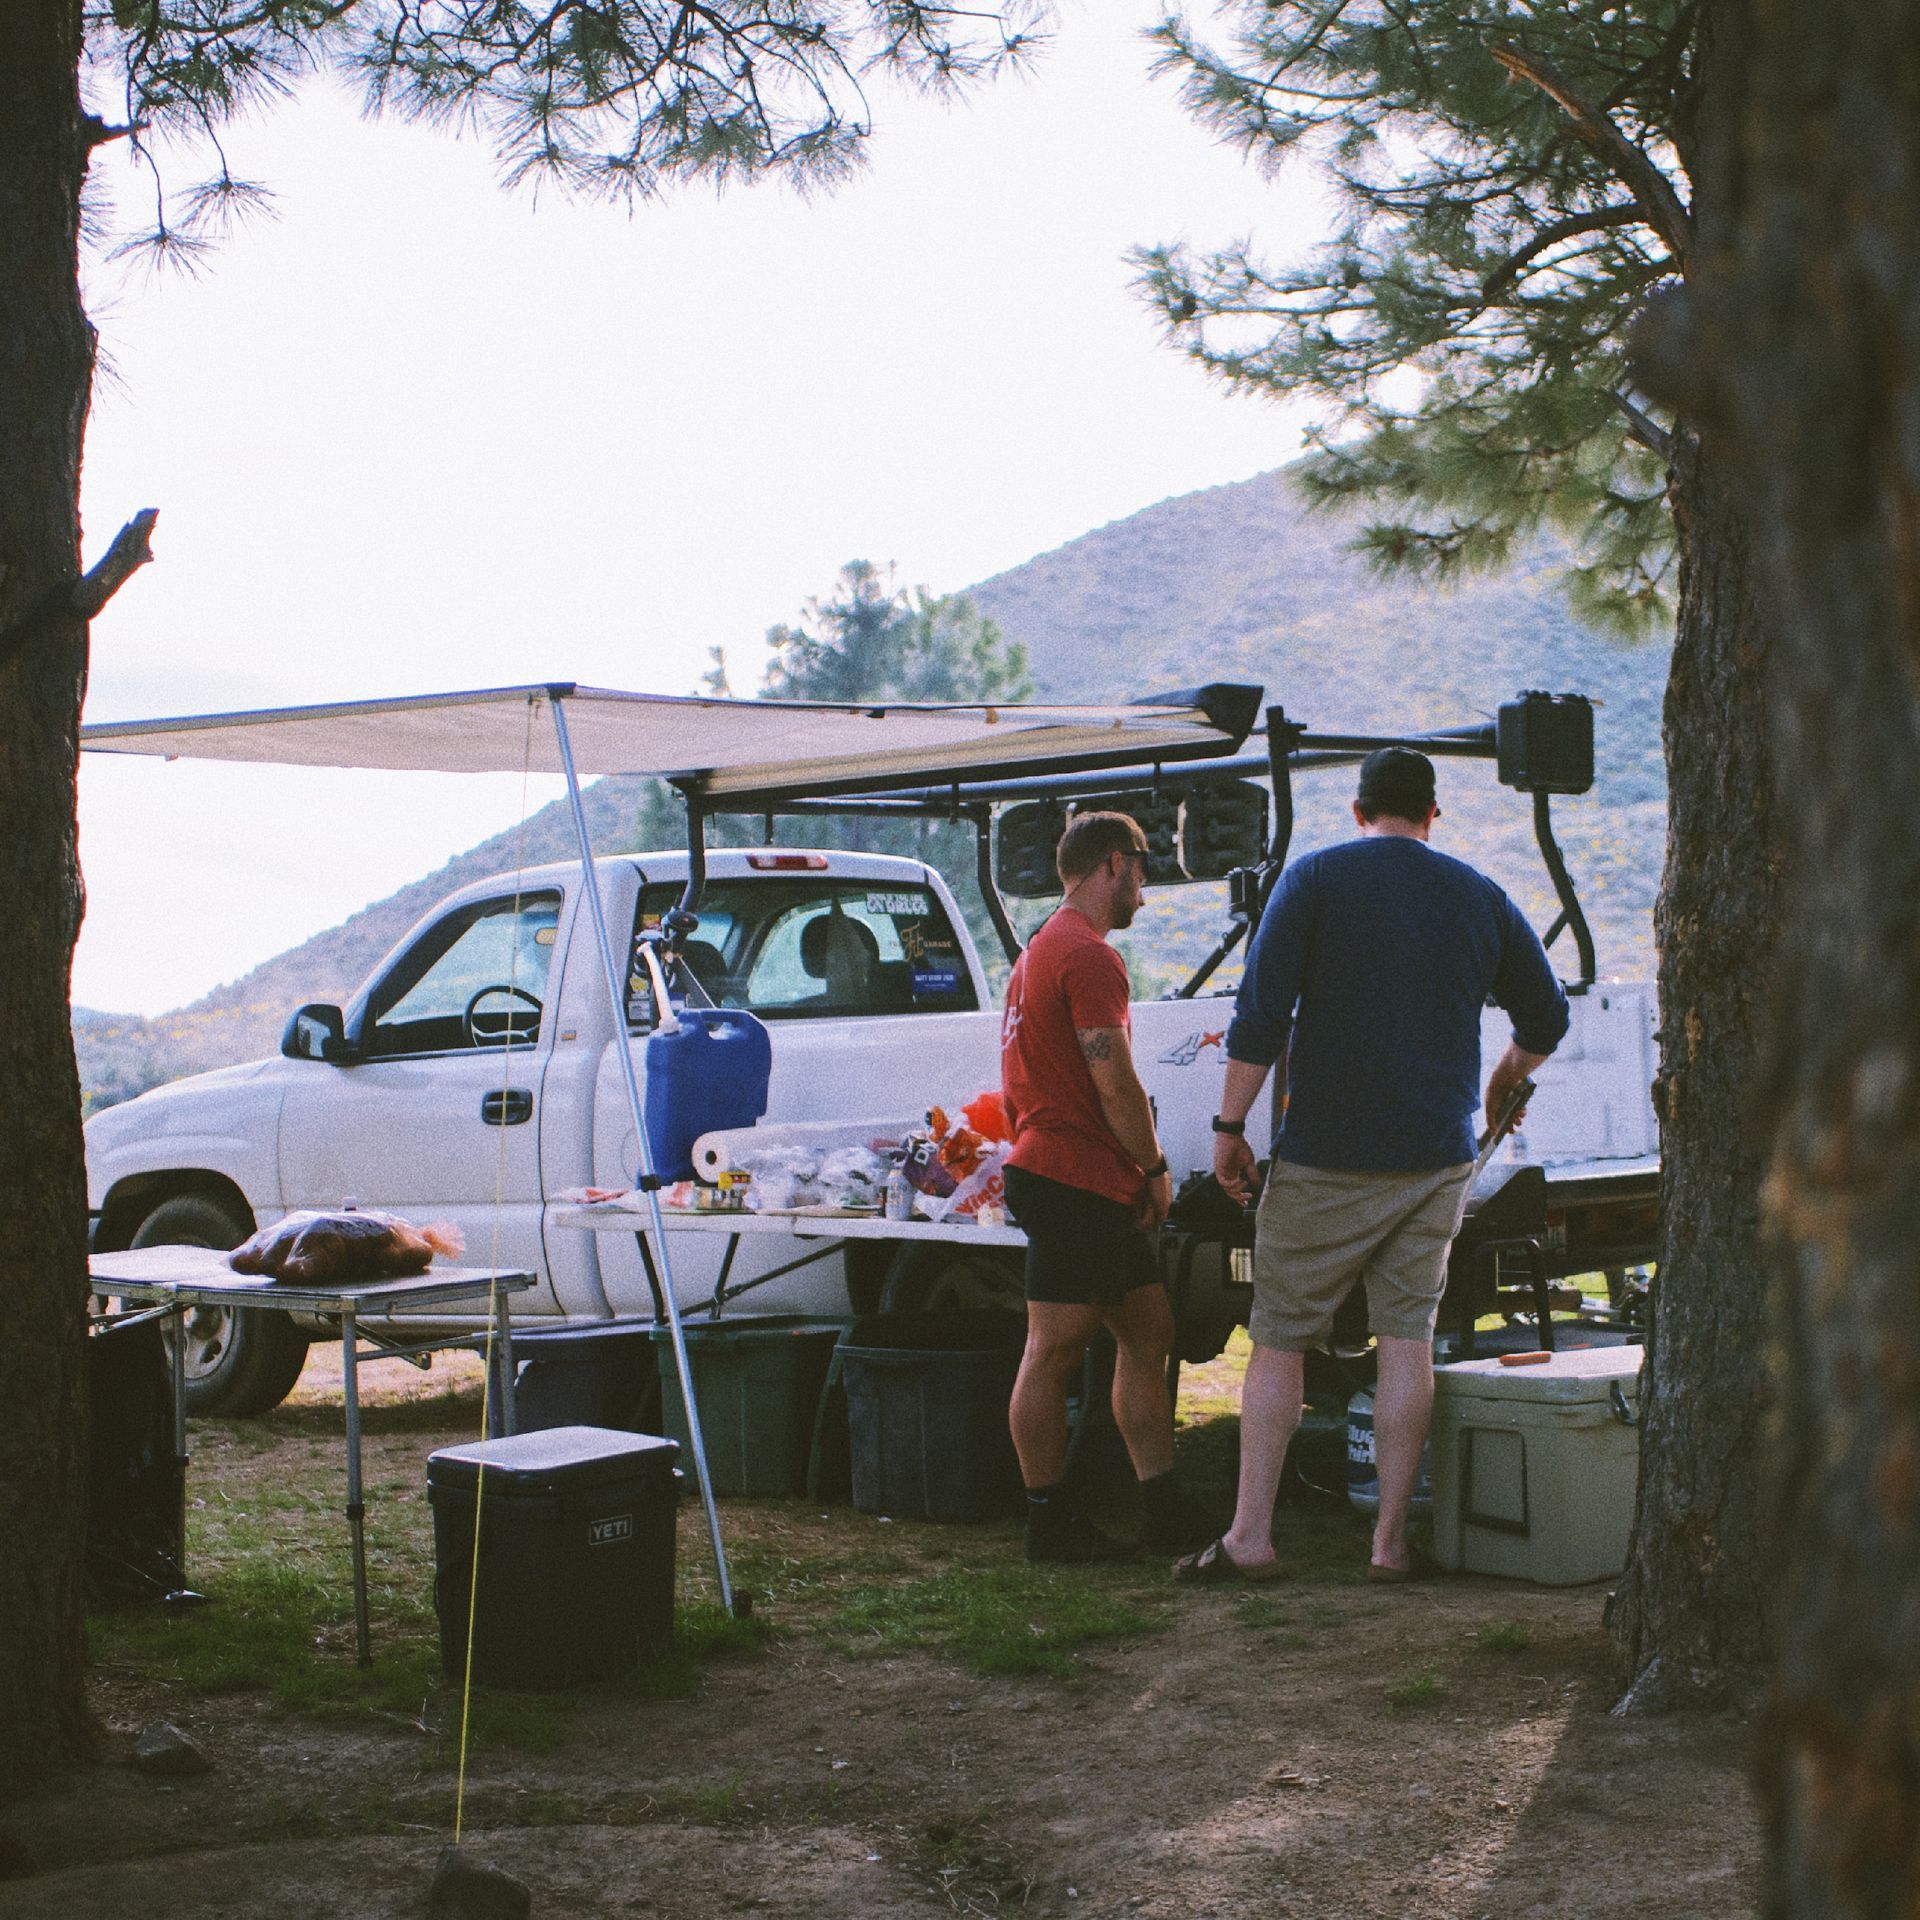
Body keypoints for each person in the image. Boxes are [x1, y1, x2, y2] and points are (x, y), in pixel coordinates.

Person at [1178, 747, 1570, 1584]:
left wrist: (1228, 1125)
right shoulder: (1480, 895)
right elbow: (1546, 1013)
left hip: (1327, 1154)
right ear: (1434, 815)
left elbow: (1259, 1014)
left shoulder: (1316, 879)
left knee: (1280, 1338)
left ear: (1359, 811)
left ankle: (1251, 1537)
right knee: (1407, 1342)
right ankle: (1389, 1543)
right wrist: (1505, 1078)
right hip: (1436, 1159)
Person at [1000, 811, 1186, 1562]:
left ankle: (1165, 1505)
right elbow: (1113, 1078)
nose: (1145, 888)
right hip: (1070, 1175)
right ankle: (1049, 1520)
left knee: (1149, 1332)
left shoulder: (1040, 950)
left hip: (1074, 1173)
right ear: (1114, 864)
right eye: (1142, 871)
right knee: (1053, 1349)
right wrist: (1154, 1165)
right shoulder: (1087, 954)